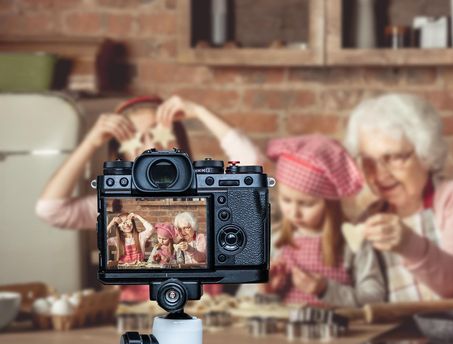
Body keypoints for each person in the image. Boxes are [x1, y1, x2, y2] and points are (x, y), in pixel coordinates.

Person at [155, 96, 386, 307]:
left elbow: (375, 301)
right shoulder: (274, 243)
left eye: (306, 204)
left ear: (330, 203)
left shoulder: (353, 244)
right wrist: (265, 292)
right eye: (286, 200)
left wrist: (323, 288)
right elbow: (244, 301)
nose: (294, 212)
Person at [344, 93, 453, 302]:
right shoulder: (368, 220)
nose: (380, 174)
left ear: (425, 153)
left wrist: (408, 243)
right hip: (403, 334)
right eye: (369, 162)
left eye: (394, 157)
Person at [35, 96, 192, 301]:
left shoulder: (207, 195)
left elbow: (249, 170)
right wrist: (91, 142)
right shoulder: (114, 204)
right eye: (136, 137)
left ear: (177, 138)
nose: (150, 146)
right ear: (123, 154)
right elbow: (49, 210)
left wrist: (199, 111)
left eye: (156, 132)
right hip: (135, 315)